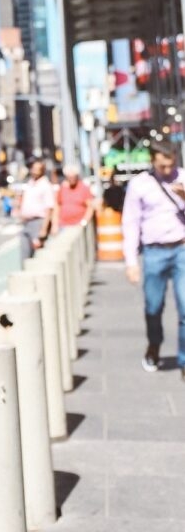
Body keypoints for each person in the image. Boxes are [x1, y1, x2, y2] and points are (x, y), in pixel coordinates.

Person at [122, 141, 185, 377]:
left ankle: (184, 361)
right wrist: (130, 262)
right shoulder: (140, 184)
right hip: (153, 251)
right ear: (153, 162)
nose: (168, 171)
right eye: (162, 166)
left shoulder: (183, 178)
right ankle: (154, 345)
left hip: (181, 248)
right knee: (153, 306)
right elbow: (130, 222)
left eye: (171, 165)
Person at [14, 158, 56, 260]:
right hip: (27, 222)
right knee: (25, 253)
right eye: (34, 168)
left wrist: (44, 229)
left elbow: (49, 209)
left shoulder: (45, 185)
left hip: (38, 223)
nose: (35, 171)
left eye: (38, 169)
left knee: (38, 254)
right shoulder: (29, 183)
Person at [53, 164, 95, 230]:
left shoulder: (84, 188)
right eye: (69, 177)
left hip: (78, 226)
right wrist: (55, 224)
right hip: (63, 225)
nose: (71, 179)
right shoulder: (62, 188)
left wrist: (84, 222)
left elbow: (90, 207)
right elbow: (57, 207)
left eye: (73, 177)